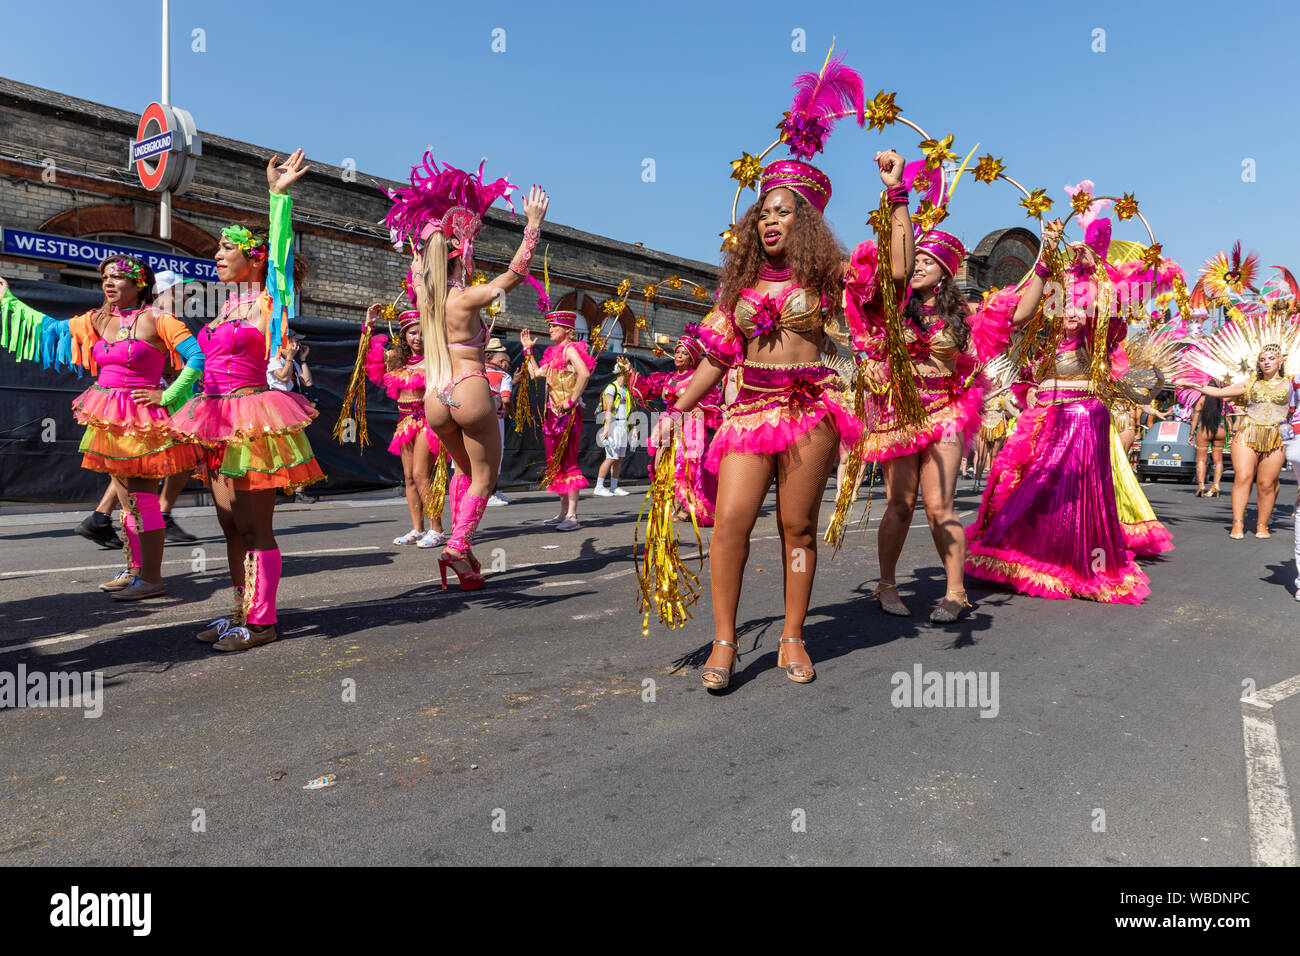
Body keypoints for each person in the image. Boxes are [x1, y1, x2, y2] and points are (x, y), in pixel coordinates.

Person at [654, 93, 906, 690]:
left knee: (797, 528)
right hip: (747, 412)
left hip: (808, 410)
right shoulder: (738, 286)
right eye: (764, 211)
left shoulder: (827, 277)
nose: (769, 220)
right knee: (730, 521)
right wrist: (675, 410)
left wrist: (896, 195)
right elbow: (717, 357)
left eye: (784, 212)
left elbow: (895, 274)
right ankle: (724, 642)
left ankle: (793, 635)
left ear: (807, 222)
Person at [852, 219, 1062, 622]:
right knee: (900, 503)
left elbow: (1020, 311)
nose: (917, 267)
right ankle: (886, 584)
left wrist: (1044, 263)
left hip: (946, 412)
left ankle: (955, 591)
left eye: (927, 261)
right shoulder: (892, 307)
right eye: (916, 259)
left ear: (946, 270)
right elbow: (863, 299)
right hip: (899, 411)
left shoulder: (964, 317)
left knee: (939, 506)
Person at [169, 150, 324, 650]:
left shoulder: (266, 300)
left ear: (252, 257)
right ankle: (240, 608)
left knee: (256, 527)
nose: (216, 255)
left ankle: (262, 622)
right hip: (213, 418)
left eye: (224, 249)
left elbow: (279, 258)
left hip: (251, 416)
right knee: (230, 524)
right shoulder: (228, 303)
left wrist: (278, 198)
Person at [965, 217, 1158, 604]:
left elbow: (1117, 311)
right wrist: (1031, 393)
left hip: (1082, 420)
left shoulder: (1096, 342)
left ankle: (1076, 560)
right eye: (1066, 307)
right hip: (1044, 422)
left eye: (1078, 308)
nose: (1071, 313)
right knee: (1031, 487)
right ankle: (1025, 554)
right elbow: (1026, 379)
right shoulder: (1047, 348)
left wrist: (1090, 267)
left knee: (1073, 493)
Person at [383, 151, 549, 588]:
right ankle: (457, 546)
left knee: (462, 472)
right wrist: (531, 226)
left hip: (436, 397)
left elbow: (420, 263)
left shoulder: (425, 298)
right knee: (485, 478)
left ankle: (465, 555)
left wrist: (429, 238)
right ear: (463, 255)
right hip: (471, 388)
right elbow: (514, 276)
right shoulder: (464, 297)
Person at [0, 257, 204, 599]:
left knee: (142, 499)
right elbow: (50, 330)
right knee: (126, 501)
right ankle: (135, 568)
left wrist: (167, 394)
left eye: (119, 277)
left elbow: (197, 357)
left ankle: (151, 578)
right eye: (106, 277)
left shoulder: (159, 319)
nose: (109, 283)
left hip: (142, 420)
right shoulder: (98, 319)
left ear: (139, 284)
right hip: (107, 416)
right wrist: (8, 301)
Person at [1181, 329, 1297, 539]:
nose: (1267, 362)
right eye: (1262, 359)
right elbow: (1218, 392)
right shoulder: (1250, 383)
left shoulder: (1291, 385)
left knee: (1266, 483)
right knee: (1243, 477)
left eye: (1271, 359)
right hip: (1247, 433)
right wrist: (1194, 385)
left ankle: (1262, 525)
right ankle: (1238, 523)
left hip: (1275, 437)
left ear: (1280, 361)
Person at [362, 307, 446, 547]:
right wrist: (368, 326)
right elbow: (365, 359)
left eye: (422, 333)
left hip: (426, 422)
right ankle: (418, 529)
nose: (417, 338)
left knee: (421, 475)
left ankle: (437, 529)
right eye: (412, 333)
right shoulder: (395, 361)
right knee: (408, 478)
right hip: (404, 422)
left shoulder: (435, 360)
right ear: (404, 335)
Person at [631, 335, 723, 522]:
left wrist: (685, 417)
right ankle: (673, 504)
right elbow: (647, 390)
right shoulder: (668, 378)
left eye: (684, 353)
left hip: (689, 425)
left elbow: (707, 401)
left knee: (685, 466)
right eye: (677, 352)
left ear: (692, 358)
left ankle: (687, 508)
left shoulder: (697, 378)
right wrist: (628, 374)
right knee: (660, 464)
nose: (679, 356)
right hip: (668, 424)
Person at [520, 311, 594, 531]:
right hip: (552, 414)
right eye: (549, 326)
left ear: (567, 330)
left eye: (554, 326)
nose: (550, 329)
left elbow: (584, 374)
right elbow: (534, 373)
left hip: (567, 414)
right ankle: (563, 513)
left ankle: (572, 515)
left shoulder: (570, 350)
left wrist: (571, 401)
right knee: (556, 463)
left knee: (568, 461)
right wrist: (527, 350)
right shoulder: (554, 354)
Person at [595, 356, 633, 497]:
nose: (631, 373)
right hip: (614, 425)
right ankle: (598, 486)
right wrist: (606, 429)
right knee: (611, 457)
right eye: (628, 371)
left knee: (620, 458)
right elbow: (608, 409)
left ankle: (614, 487)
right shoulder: (612, 388)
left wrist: (633, 429)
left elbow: (630, 411)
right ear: (623, 372)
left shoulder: (626, 391)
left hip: (623, 425)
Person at [484, 337, 514, 506]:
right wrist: (513, 413)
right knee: (495, 457)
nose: (509, 366)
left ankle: (493, 491)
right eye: (508, 362)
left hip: (474, 419)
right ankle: (490, 493)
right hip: (495, 420)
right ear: (501, 362)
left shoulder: (476, 371)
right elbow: (506, 399)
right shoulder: (503, 375)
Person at [1190, 388, 1228, 497]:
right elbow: (1228, 418)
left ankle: (1201, 485)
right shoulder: (1223, 400)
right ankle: (1216, 485)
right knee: (1219, 461)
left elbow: (1195, 418)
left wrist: (1191, 433)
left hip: (1204, 429)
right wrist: (1231, 433)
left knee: (1201, 460)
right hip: (1220, 429)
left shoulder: (1201, 399)